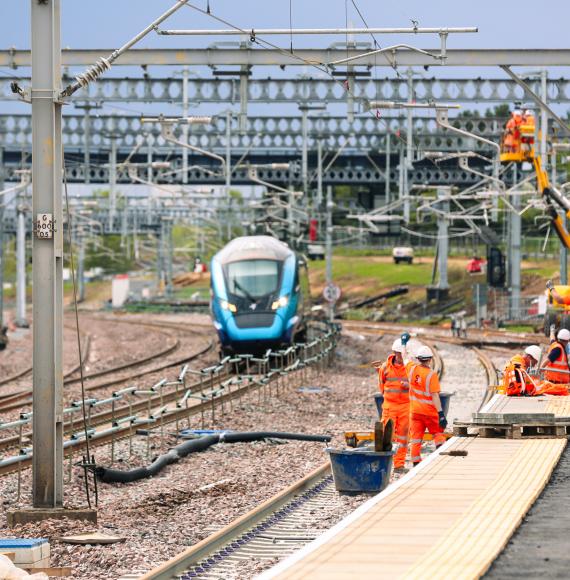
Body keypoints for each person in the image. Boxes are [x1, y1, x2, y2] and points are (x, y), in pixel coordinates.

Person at [400, 333, 446, 466]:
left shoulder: (411, 369)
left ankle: (415, 463)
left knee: (415, 439)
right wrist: (441, 414)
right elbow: (435, 395)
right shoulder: (431, 375)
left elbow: (404, 357)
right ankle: (440, 455)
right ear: (430, 359)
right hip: (429, 412)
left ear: (418, 359)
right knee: (437, 433)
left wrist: (404, 343)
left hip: (414, 412)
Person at [377, 338, 410, 472]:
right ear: (395, 353)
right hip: (390, 406)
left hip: (405, 407)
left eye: (404, 354)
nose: (402, 357)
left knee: (403, 437)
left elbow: (416, 385)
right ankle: (383, 464)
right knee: (386, 435)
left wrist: (409, 386)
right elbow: (381, 386)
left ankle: (399, 465)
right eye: (400, 354)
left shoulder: (410, 367)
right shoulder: (385, 367)